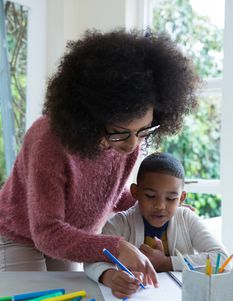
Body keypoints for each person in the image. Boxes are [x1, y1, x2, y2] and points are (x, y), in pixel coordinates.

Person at [0, 29, 199, 278]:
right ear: (91, 116)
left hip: (67, 235)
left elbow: (107, 195)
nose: (132, 145)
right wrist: (116, 246)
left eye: (143, 130)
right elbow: (47, 232)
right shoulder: (48, 139)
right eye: (120, 132)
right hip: (19, 234)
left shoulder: (129, 140)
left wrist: (155, 200)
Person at [84, 152, 228, 298]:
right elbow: (92, 260)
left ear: (181, 198)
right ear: (135, 192)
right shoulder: (120, 223)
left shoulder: (187, 219)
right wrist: (112, 277)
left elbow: (222, 259)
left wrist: (167, 263)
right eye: (151, 196)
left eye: (171, 198)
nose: (160, 206)